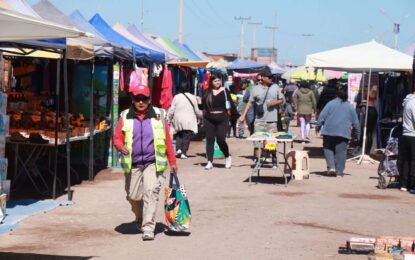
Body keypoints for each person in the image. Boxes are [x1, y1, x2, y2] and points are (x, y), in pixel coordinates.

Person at [114, 85, 177, 241]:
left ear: (150, 100)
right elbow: (117, 137)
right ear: (133, 100)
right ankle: (140, 218)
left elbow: (167, 140)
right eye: (137, 99)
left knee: (151, 193)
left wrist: (172, 161)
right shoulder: (125, 116)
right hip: (133, 164)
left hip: (153, 163)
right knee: (133, 196)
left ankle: (148, 227)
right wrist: (120, 147)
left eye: (144, 99)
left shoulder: (159, 115)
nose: (141, 102)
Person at [238, 71, 285, 163]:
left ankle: (274, 161)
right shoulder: (255, 89)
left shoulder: (275, 87)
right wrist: (243, 115)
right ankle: (257, 162)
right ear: (263, 78)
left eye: (271, 77)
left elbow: (282, 100)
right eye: (269, 77)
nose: (271, 78)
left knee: (271, 143)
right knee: (257, 143)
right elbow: (250, 102)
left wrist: (274, 103)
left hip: (272, 121)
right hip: (259, 121)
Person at [316, 86, 360, 177]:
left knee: (328, 149)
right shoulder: (350, 107)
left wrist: (318, 126)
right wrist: (358, 135)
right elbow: (356, 122)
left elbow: (322, 116)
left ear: (336, 94)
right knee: (341, 152)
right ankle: (339, 172)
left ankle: (331, 167)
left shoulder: (330, 104)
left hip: (329, 131)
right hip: (344, 133)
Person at [202, 74, 232, 170]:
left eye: (219, 80)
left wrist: (238, 117)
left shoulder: (225, 91)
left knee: (220, 139)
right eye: (215, 81)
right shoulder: (207, 92)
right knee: (209, 139)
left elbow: (231, 104)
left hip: (222, 118)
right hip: (209, 118)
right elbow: (203, 105)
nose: (217, 82)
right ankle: (209, 161)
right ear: (211, 82)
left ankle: (227, 156)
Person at [168, 82, 202, 159]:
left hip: (178, 119)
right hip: (189, 120)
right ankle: (184, 152)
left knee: (179, 134)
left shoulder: (176, 97)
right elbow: (196, 110)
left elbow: (172, 109)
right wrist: (200, 116)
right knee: (187, 136)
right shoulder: (193, 97)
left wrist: (169, 118)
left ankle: (178, 149)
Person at [398, 92, 415, 193]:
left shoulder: (407, 100)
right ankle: (412, 185)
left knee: (407, 160)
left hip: (405, 134)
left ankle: (404, 183)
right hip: (413, 135)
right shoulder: (413, 102)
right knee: (413, 161)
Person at [359, 85, 378, 154]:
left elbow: (374, 89)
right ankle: (367, 150)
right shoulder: (373, 92)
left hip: (370, 110)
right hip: (372, 110)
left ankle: (367, 150)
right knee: (368, 131)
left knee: (368, 131)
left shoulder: (372, 91)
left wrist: (372, 88)